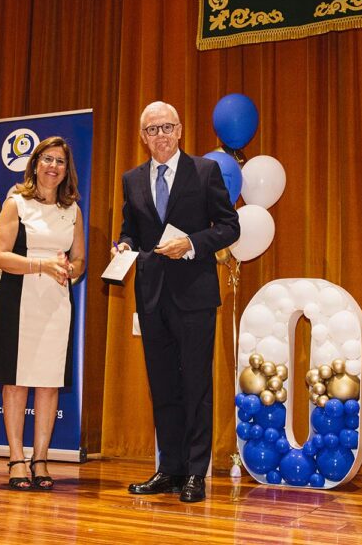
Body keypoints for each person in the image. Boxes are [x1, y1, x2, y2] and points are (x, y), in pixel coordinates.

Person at [114, 101, 240, 503]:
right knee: (164, 386)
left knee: (196, 385)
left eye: (167, 127)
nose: (160, 136)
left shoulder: (205, 171)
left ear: (180, 129)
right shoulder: (131, 179)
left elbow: (229, 227)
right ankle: (169, 469)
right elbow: (130, 230)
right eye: (152, 130)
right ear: (143, 137)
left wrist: (191, 243)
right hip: (151, 297)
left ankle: (195, 474)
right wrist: (124, 245)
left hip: (195, 296)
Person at [0, 136, 85, 491]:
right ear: (35, 164)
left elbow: (79, 259)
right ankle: (16, 458)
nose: (52, 166)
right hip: (19, 300)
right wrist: (42, 264)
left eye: (59, 161)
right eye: (46, 159)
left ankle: (41, 458)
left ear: (66, 170)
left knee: (48, 383)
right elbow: (0, 256)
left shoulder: (72, 210)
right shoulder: (16, 203)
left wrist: (71, 270)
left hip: (57, 304)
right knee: (16, 382)